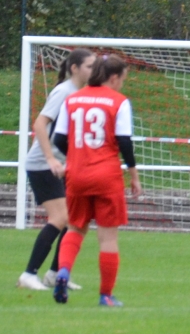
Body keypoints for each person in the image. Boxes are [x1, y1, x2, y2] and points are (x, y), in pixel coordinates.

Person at [50, 55, 143, 306]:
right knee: (108, 238)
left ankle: (63, 272)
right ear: (114, 77)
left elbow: (58, 139)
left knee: (75, 228)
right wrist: (134, 176)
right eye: (123, 79)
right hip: (106, 176)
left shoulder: (72, 99)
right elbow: (124, 142)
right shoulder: (119, 102)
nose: (123, 84)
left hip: (77, 175)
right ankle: (106, 296)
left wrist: (79, 157)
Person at [16, 49, 95, 293]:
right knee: (61, 218)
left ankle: (54, 273)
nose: (93, 71)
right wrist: (50, 158)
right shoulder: (63, 91)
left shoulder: (85, 93)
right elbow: (39, 123)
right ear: (75, 68)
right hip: (43, 164)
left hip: (65, 166)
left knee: (76, 220)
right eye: (89, 66)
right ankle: (28, 274)